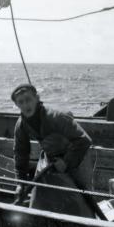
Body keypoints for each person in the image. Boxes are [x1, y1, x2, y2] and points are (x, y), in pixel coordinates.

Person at [11, 83, 95, 218]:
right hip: (50, 158)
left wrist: (66, 162)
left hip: (77, 156)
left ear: (37, 98)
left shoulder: (57, 116)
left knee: (82, 203)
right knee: (39, 201)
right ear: (16, 105)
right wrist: (20, 183)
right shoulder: (21, 125)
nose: (26, 105)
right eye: (21, 102)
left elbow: (84, 140)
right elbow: (20, 154)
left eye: (28, 99)